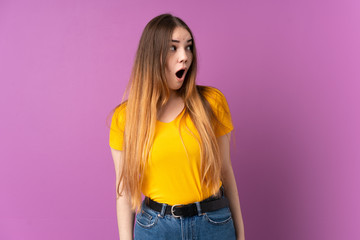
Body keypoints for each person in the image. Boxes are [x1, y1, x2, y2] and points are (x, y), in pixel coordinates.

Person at [109, 13, 245, 240]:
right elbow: (123, 191)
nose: (185, 57)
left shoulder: (212, 103)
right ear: (152, 56)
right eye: (173, 48)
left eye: (188, 47)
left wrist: (240, 234)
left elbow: (225, 171)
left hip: (213, 224)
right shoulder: (125, 118)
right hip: (155, 228)